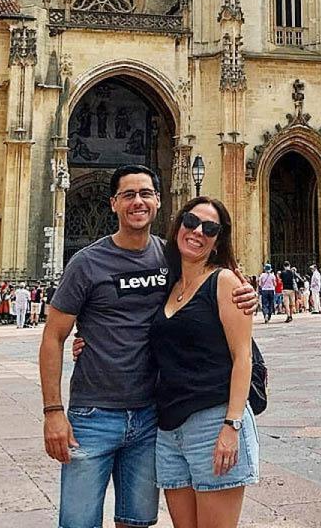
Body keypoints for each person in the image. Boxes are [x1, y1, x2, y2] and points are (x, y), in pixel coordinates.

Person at [38, 165, 257, 528]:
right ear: (113, 204)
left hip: (149, 418)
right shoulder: (87, 262)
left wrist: (245, 292)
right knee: (77, 522)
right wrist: (52, 411)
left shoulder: (169, 258)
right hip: (94, 415)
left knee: (137, 522)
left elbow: (210, 299)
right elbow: (53, 336)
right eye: (128, 195)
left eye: (145, 194)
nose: (137, 202)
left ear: (158, 201)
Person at [150, 197, 260, 527]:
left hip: (214, 425)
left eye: (209, 228)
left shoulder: (225, 281)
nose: (197, 231)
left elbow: (244, 357)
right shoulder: (168, 285)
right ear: (178, 225)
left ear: (217, 241)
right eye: (191, 221)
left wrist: (232, 425)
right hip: (168, 430)